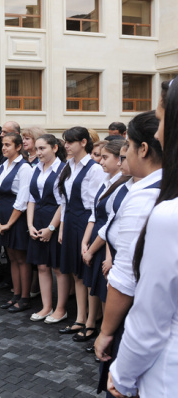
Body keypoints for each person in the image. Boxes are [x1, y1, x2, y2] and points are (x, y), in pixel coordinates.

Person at [107, 81, 177, 398]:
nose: (159, 133)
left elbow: (152, 318)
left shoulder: (167, 214)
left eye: (162, 121)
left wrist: (121, 376)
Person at [92, 110, 162, 396]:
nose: (124, 157)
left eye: (128, 148)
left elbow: (126, 279)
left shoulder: (145, 196)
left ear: (142, 149)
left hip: (139, 316)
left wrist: (106, 331)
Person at [57, 127, 105, 337]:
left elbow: (95, 206)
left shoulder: (94, 169)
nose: (66, 145)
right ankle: (80, 318)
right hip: (71, 222)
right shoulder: (69, 165)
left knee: (87, 274)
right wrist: (62, 227)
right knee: (76, 273)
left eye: (70, 142)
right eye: (65, 142)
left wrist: (86, 235)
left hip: (86, 222)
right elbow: (65, 202)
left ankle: (91, 322)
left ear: (84, 142)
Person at [78, 140, 127, 343]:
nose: (99, 161)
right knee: (96, 286)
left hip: (104, 241)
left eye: (105, 157)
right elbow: (94, 214)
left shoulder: (122, 185)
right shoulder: (106, 181)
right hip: (96, 237)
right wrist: (84, 242)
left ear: (118, 160)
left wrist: (96, 250)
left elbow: (111, 223)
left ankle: (107, 336)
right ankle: (95, 327)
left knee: (107, 290)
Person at [25, 134, 68, 323]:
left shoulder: (63, 169)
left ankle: (60, 309)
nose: (38, 152)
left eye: (43, 148)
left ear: (55, 148)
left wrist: (51, 227)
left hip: (55, 220)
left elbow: (64, 203)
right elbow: (31, 199)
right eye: (37, 148)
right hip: (37, 220)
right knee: (42, 266)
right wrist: (30, 225)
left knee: (57, 267)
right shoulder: (35, 169)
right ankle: (46, 307)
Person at [0, 133, 32, 312]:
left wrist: (9, 223)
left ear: (18, 147)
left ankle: (24, 297)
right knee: (11, 257)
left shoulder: (25, 168)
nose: (4, 148)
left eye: (8, 145)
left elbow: (23, 199)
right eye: (3, 144)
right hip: (1, 214)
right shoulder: (1, 167)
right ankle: (15, 294)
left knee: (21, 258)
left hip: (16, 217)